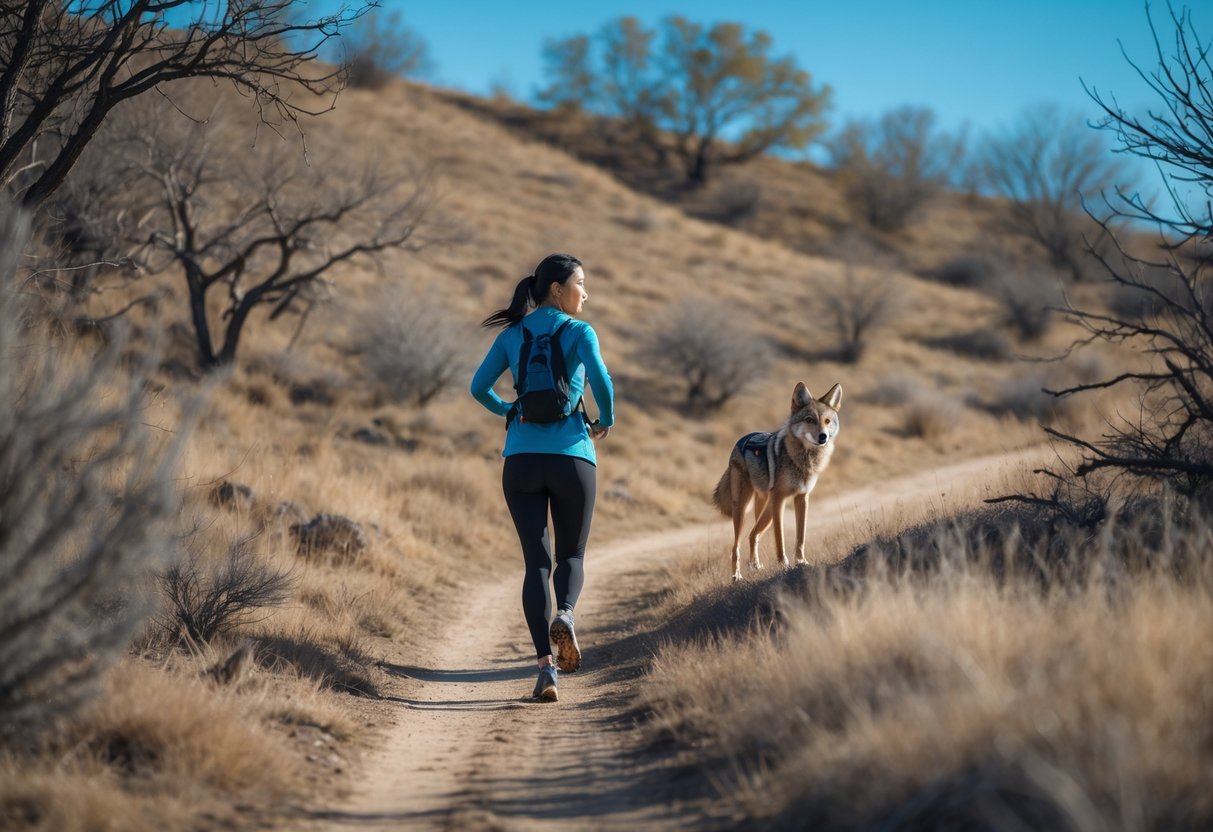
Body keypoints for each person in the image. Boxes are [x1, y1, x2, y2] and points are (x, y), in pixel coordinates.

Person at [470, 253, 614, 702]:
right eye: (580, 284)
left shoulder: (513, 334)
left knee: (536, 563)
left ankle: (545, 670)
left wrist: (508, 409)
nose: (585, 293)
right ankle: (566, 615)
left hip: (521, 462)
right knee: (571, 556)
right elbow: (602, 383)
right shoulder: (578, 332)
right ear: (557, 288)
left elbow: (479, 387)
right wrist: (605, 420)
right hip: (573, 458)